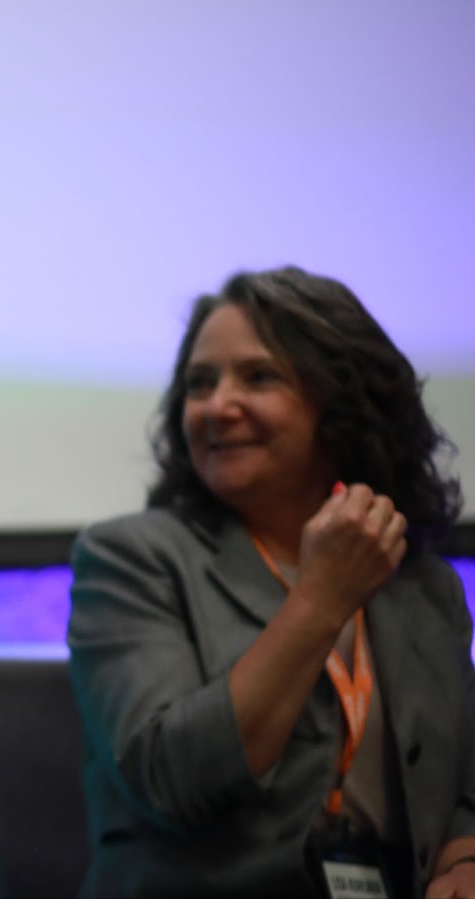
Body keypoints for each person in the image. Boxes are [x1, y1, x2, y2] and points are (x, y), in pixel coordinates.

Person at [67, 266, 474, 898]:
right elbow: (173, 780)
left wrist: (463, 855)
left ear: (341, 401)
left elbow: (461, 773)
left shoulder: (422, 585)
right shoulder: (130, 558)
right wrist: (321, 598)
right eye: (199, 384)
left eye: (258, 377)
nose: (216, 405)